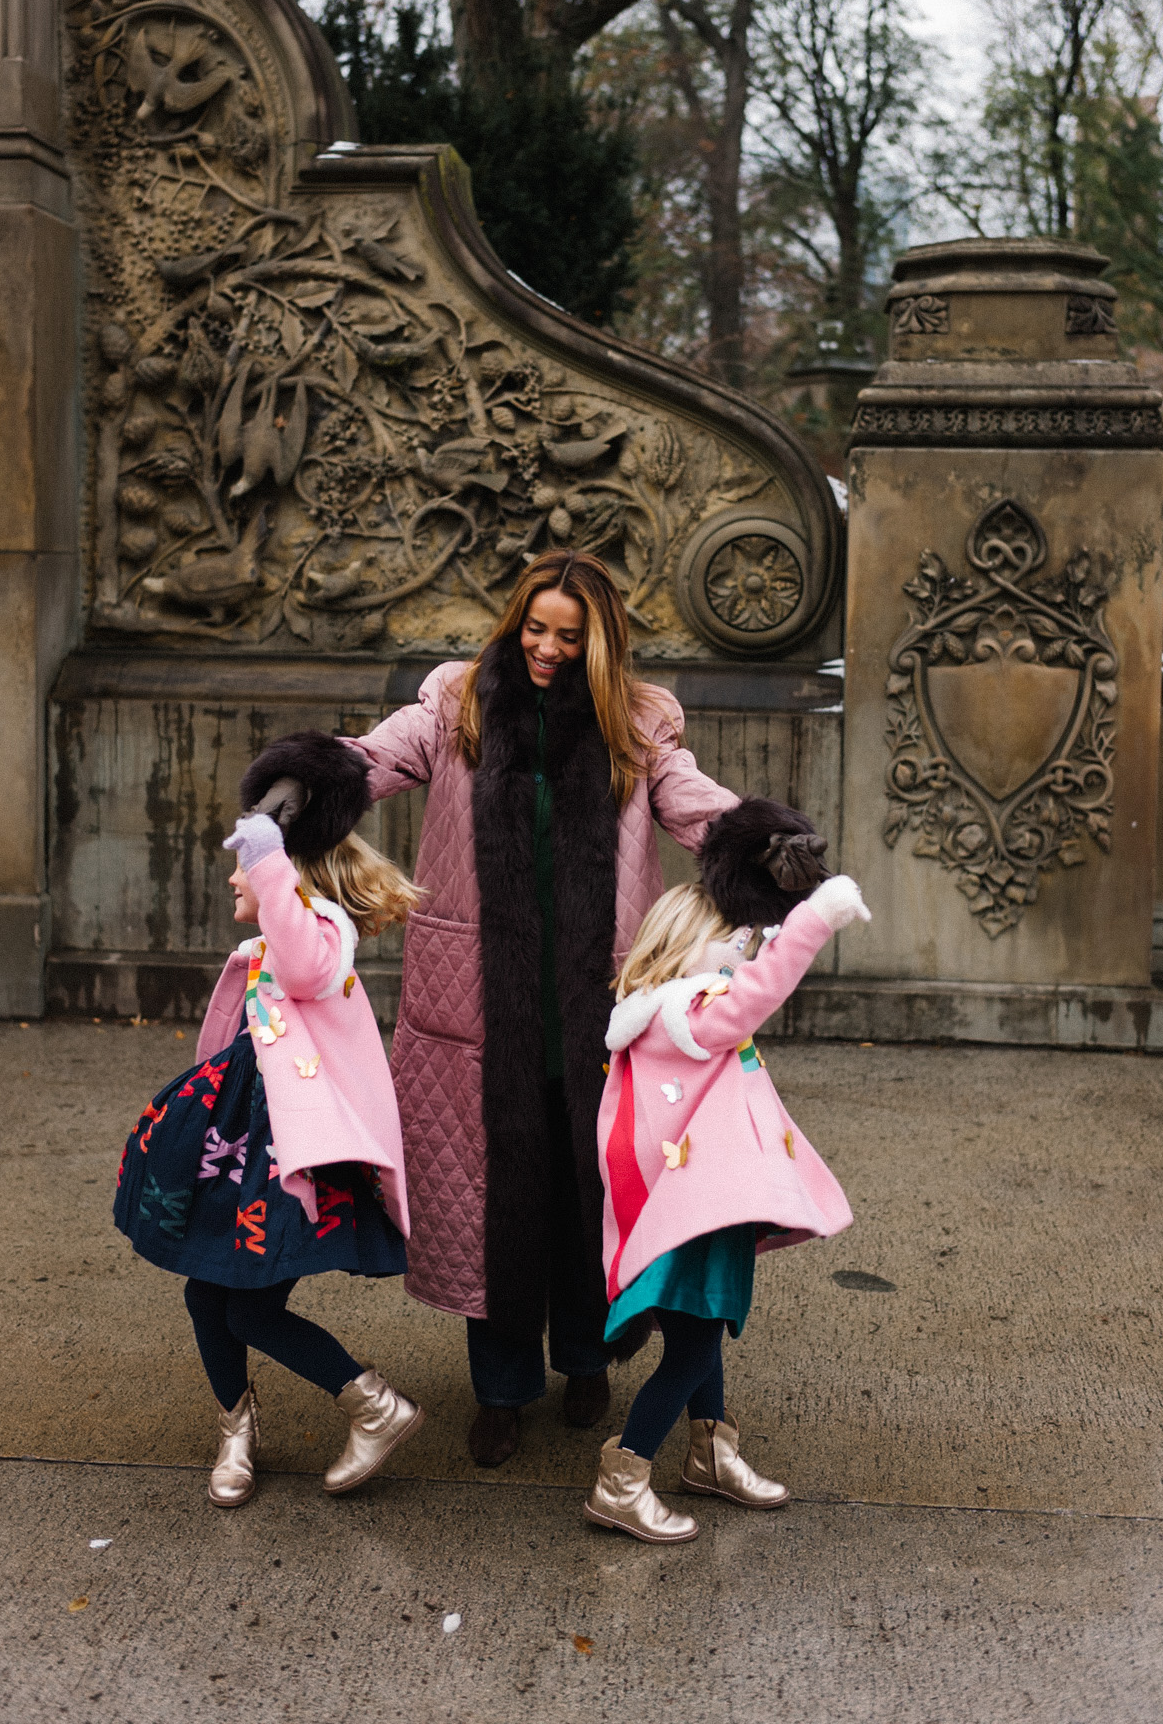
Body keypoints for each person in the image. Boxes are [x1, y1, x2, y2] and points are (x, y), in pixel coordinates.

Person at [241, 550, 749, 1467]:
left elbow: (692, 804)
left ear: (601, 641)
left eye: (569, 634)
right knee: (488, 1204)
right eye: (535, 627)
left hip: (599, 1006)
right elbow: (373, 756)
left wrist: (766, 847)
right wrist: (304, 786)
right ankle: (502, 1391)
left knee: (586, 1194)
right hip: (474, 1011)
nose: (547, 648)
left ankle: (589, 1357)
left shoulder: (638, 724)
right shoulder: (457, 704)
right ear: (515, 620)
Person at [113, 742, 425, 1509]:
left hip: (294, 1163)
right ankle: (237, 1429)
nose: (233, 876)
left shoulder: (317, 936)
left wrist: (271, 857)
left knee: (249, 1304)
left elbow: (308, 969)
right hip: (242, 1153)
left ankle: (372, 1404)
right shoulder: (270, 947)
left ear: (284, 878)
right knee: (205, 1295)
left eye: (244, 865)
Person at [584, 800, 869, 1543]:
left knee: (701, 1328)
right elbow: (752, 994)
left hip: (697, 1203)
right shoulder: (693, 1014)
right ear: (690, 951)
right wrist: (814, 921)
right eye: (735, 943)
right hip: (694, 1208)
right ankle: (625, 1476)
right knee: (694, 1346)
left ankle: (711, 1451)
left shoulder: (661, 1015)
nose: (749, 949)